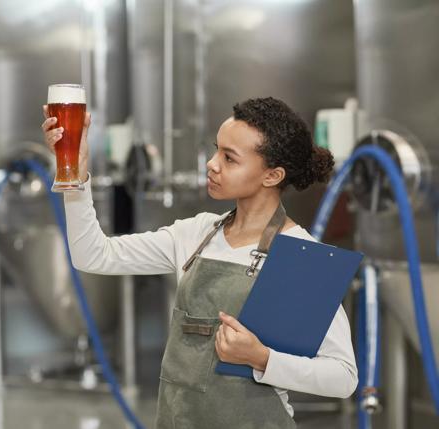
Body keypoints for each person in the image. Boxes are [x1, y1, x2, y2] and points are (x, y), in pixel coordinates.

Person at [42, 97, 358, 428]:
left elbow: (343, 377)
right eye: (215, 150)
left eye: (229, 158)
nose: (211, 164)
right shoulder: (195, 233)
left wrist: (262, 358)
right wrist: (75, 177)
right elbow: (92, 255)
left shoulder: (299, 255)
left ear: (272, 175)